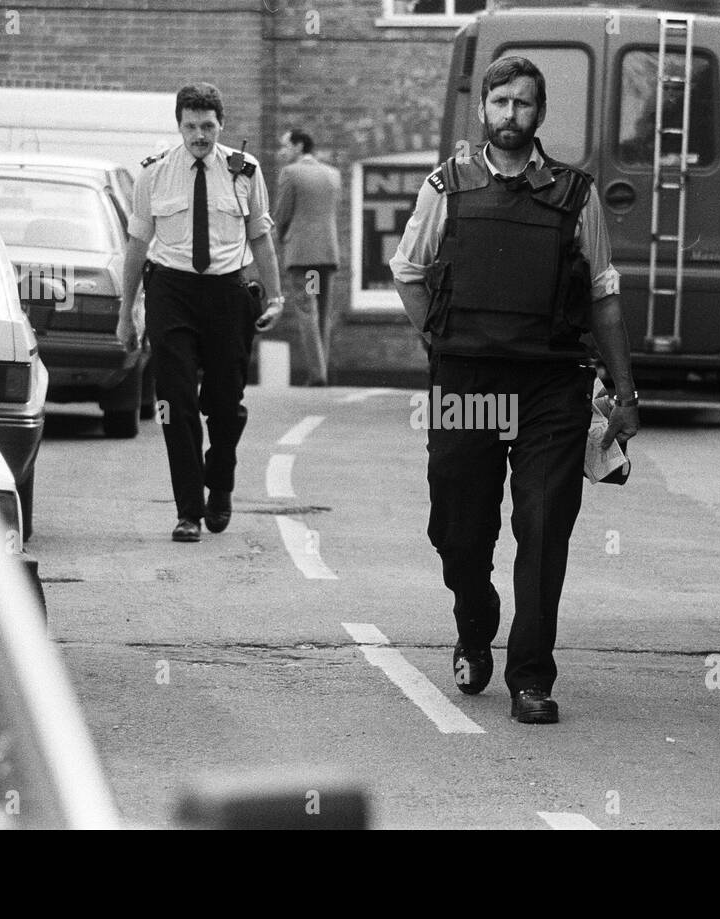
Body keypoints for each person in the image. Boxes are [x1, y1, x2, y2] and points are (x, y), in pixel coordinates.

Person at [391, 56, 640, 724]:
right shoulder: (446, 186)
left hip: (551, 386)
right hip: (468, 383)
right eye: (500, 101)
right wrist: (441, 342)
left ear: (540, 113)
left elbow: (603, 295)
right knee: (458, 529)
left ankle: (531, 676)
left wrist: (624, 393)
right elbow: (408, 272)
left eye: (523, 103)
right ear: (483, 109)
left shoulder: (576, 194)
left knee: (544, 526)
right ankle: (475, 622)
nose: (510, 114)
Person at [117, 82, 285, 543]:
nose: (199, 136)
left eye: (208, 126)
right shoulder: (154, 173)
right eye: (190, 126)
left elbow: (261, 237)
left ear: (221, 125)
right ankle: (188, 510)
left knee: (225, 405)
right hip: (171, 291)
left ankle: (221, 480)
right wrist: (127, 311)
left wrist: (276, 298)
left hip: (227, 294)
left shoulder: (245, 170)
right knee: (175, 401)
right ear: (178, 126)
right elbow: (136, 245)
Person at [274, 129, 342, 386]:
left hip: (303, 256)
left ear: (299, 146)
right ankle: (321, 369)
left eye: (286, 146)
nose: (283, 152)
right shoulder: (332, 174)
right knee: (322, 311)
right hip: (326, 254)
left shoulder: (291, 173)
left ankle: (317, 374)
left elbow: (282, 214)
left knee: (307, 310)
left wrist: (281, 237)